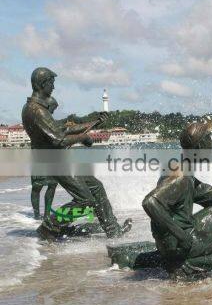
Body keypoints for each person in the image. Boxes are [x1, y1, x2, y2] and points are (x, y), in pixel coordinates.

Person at [108, 122, 212, 279]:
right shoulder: (180, 175)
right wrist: (182, 236)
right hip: (177, 242)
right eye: (209, 140)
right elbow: (150, 202)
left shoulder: (187, 173)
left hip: (182, 236)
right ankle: (185, 266)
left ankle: (203, 258)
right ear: (200, 146)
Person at [22, 67, 132, 240]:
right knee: (85, 200)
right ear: (43, 84)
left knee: (96, 187)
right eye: (52, 83)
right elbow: (58, 140)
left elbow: (62, 128)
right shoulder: (37, 111)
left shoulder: (37, 108)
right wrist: (83, 137)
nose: (53, 87)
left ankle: (113, 230)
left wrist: (94, 122)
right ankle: (49, 226)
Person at [30, 97, 59, 220]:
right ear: (48, 106)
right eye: (52, 109)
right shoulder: (40, 118)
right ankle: (37, 214)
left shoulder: (49, 120)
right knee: (37, 186)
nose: (52, 112)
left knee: (52, 185)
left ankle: (46, 214)